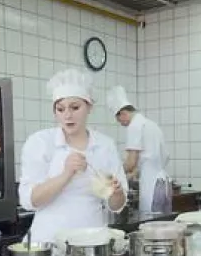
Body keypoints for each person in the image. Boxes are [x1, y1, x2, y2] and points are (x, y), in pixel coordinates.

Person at [19, 69, 128, 245]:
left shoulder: (105, 145)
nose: (67, 115)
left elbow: (116, 206)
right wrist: (66, 174)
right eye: (60, 109)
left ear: (89, 107)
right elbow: (30, 201)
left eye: (75, 107)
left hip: (92, 244)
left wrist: (116, 192)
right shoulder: (40, 142)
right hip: (49, 245)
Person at [106, 86, 171, 213]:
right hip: (164, 184)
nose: (121, 124)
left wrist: (115, 173)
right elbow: (160, 157)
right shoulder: (151, 124)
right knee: (165, 224)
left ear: (123, 113)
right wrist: (133, 174)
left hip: (151, 186)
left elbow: (131, 163)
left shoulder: (134, 126)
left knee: (151, 226)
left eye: (119, 120)